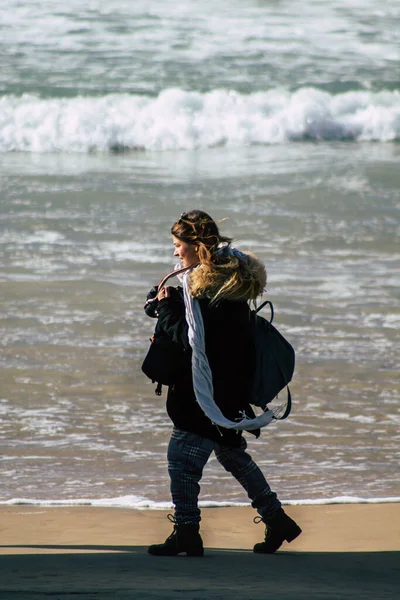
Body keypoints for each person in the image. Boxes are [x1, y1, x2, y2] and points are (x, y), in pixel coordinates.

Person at [143, 210, 301, 556]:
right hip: (228, 388)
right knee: (232, 456)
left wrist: (167, 310)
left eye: (178, 245)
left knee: (182, 459)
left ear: (196, 247)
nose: (174, 253)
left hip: (207, 394)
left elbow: (193, 340)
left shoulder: (210, 291)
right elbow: (207, 336)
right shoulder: (227, 283)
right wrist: (166, 305)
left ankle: (187, 531)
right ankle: (277, 520)